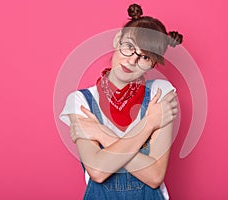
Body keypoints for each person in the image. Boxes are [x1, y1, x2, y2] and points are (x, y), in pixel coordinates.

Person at [59, 4, 182, 200]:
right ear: (118, 40)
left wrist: (101, 133)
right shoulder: (79, 101)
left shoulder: (161, 92)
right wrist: (149, 123)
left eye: (144, 56)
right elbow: (98, 171)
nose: (132, 61)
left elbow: (155, 175)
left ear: (153, 63)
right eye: (129, 47)